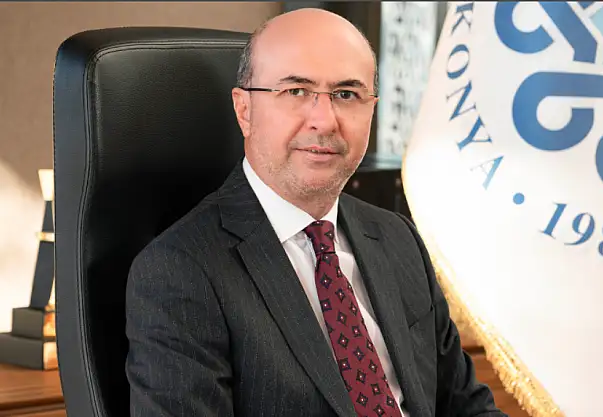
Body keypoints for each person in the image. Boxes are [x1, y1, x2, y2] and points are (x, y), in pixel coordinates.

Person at [125, 7, 507, 417]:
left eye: (346, 95)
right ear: (244, 110)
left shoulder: (399, 237)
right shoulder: (180, 271)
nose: (324, 121)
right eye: (296, 91)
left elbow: (467, 407)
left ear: (372, 110)